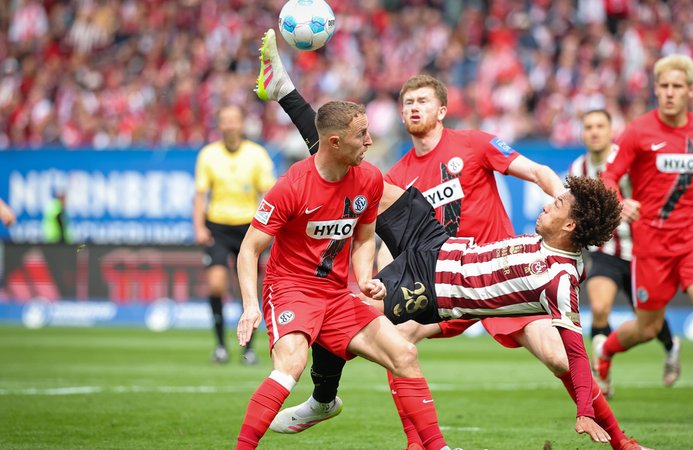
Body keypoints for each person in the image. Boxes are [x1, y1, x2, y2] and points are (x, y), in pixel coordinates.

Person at [254, 29, 648, 450]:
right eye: (407, 102)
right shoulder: (399, 173)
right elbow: (383, 239)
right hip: (435, 265)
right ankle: (389, 429)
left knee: (558, 356)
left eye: (422, 100)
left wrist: (565, 202)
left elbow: (536, 171)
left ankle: (620, 441)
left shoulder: (475, 145)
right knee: (376, 324)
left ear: (443, 109)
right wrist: (378, 278)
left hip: (500, 286)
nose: (413, 107)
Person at [234, 100, 453, 450]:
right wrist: (249, 305)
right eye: (361, 134)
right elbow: (249, 249)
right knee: (291, 365)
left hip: (335, 296)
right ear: (334, 142)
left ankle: (437, 448)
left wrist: (364, 278)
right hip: (291, 289)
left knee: (404, 354)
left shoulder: (369, 179)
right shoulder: (291, 186)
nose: (369, 141)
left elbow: (364, 237)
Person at [363, 176, 643, 449]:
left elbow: (577, 354)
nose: (546, 205)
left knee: (355, 312)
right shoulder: (548, 244)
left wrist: (585, 412)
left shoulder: (559, 279)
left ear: (570, 225)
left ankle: (420, 441)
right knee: (372, 184)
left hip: (430, 286)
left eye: (556, 204)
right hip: (436, 242)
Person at [597, 55, 693, 427]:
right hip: (651, 246)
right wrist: (621, 202)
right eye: (664, 86)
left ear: (691, 90)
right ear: (655, 89)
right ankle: (605, 351)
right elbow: (609, 176)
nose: (669, 93)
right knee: (648, 328)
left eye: (677, 86)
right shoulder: (638, 131)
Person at [568, 109, 681, 397]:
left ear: (611, 131)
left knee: (649, 323)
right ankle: (602, 375)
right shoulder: (578, 168)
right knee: (600, 308)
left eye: (600, 126)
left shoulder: (630, 159)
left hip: (641, 251)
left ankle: (671, 348)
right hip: (605, 250)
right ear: (582, 133)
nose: (594, 132)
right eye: (589, 127)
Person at [193, 104, 276, 365]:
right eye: (225, 120)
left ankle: (247, 349)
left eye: (234, 120)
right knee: (216, 284)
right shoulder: (208, 154)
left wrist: (270, 228)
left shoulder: (257, 154)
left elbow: (269, 194)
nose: (230, 125)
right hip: (217, 225)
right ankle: (220, 345)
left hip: (249, 228)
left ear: (241, 124)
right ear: (219, 125)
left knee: (247, 288)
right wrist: (199, 227)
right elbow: (200, 195)